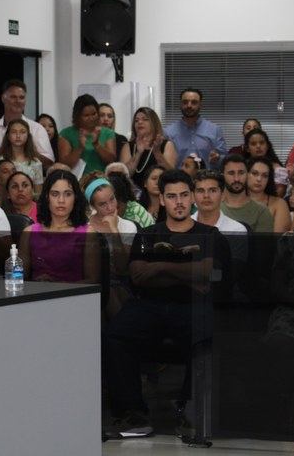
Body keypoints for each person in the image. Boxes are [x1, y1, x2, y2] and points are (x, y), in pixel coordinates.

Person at [103, 169, 230, 438]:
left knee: (208, 335)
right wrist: (189, 274)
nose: (179, 202)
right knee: (117, 335)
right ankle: (133, 415)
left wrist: (160, 267)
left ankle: (190, 411)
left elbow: (209, 272)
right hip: (149, 305)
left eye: (184, 195)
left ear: (192, 197)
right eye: (172, 196)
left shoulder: (210, 234)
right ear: (161, 199)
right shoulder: (148, 234)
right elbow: (138, 275)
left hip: (194, 305)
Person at [18, 170, 100, 283]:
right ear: (47, 197)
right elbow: (19, 279)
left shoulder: (87, 233)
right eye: (55, 194)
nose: (61, 200)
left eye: (68, 194)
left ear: (75, 197)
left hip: (74, 293)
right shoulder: (29, 232)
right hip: (37, 292)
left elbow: (93, 280)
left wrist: (58, 286)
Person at [0, 79, 55, 167]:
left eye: (21, 97)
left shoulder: (37, 129)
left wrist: (25, 149)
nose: (18, 101)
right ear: (3, 98)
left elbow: (49, 163)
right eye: (13, 97)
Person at [164, 88, 227, 170]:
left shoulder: (214, 130)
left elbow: (224, 159)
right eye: (185, 102)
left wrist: (217, 158)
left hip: (207, 176)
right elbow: (165, 164)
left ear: (200, 105)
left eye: (194, 102)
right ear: (180, 104)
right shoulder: (168, 132)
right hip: (179, 177)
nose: (189, 106)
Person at [58, 94, 117, 175]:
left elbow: (111, 161)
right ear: (77, 116)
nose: (91, 118)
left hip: (101, 180)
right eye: (86, 115)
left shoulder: (107, 133)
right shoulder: (66, 134)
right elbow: (64, 165)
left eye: (94, 114)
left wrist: (97, 145)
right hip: (76, 180)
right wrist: (80, 147)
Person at [120, 107, 178, 188]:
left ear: (154, 123)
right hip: (134, 192)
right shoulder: (128, 146)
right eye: (136, 120)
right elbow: (124, 175)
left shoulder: (167, 145)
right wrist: (138, 153)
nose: (140, 122)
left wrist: (157, 152)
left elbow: (171, 175)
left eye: (145, 119)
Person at [220, 155, 274, 232]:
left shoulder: (261, 212)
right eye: (231, 173)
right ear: (222, 176)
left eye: (241, 173)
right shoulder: (212, 208)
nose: (237, 179)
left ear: (247, 175)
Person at [0, 118, 44, 193]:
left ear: (28, 136)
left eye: (22, 132)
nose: (18, 135)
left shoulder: (35, 162)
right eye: (14, 132)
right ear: (8, 135)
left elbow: (38, 192)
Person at [191, 169, 247, 234]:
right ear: (193, 196)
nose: (206, 195)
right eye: (200, 191)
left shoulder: (237, 230)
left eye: (212, 191)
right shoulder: (183, 227)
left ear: (222, 195)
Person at [246, 157, 291, 233]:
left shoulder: (279, 204)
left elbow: (279, 238)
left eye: (265, 176)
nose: (259, 179)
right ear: (245, 174)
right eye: (255, 174)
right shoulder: (234, 201)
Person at [242, 128, 288, 198]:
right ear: (247, 148)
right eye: (253, 144)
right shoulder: (242, 166)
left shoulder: (277, 169)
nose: (258, 146)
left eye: (262, 143)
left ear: (267, 146)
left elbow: (280, 193)